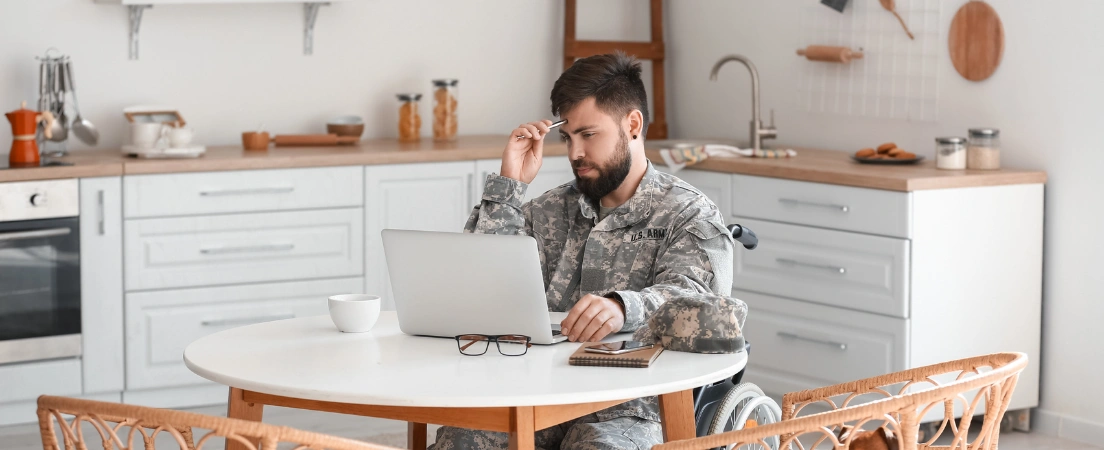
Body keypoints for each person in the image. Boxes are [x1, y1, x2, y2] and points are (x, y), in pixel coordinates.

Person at [431, 53, 734, 450]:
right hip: (540, 392)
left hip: (634, 406)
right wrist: (509, 185)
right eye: (567, 137)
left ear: (633, 125)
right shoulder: (549, 209)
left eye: (588, 135)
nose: (574, 153)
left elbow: (699, 301)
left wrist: (624, 307)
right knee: (460, 438)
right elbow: (480, 283)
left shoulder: (688, 212)